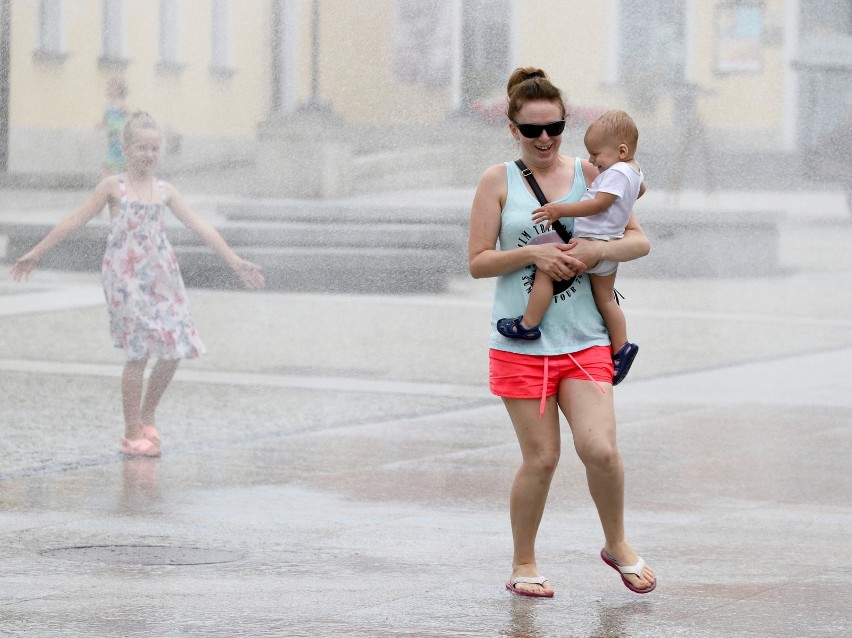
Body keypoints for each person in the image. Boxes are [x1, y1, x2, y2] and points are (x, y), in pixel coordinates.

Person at [468, 68, 656, 598]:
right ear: (513, 130)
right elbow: (478, 263)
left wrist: (598, 251)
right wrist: (534, 253)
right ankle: (524, 562)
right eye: (533, 131)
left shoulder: (596, 173)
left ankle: (616, 543)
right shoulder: (496, 181)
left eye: (555, 127)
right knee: (542, 457)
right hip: (520, 345)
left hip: (585, 338)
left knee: (600, 449)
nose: (546, 139)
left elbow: (638, 242)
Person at [11, 111, 265, 457]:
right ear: (126, 149)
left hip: (162, 277)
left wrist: (234, 261)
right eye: (142, 147)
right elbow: (75, 220)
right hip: (125, 280)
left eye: (154, 148)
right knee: (139, 352)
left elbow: (200, 227)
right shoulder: (112, 187)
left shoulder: (165, 191)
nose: (148, 154)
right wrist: (36, 252)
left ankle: (148, 413)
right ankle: (132, 432)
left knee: (176, 346)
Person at [498, 109, 645, 385]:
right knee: (606, 301)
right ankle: (622, 347)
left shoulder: (617, 172)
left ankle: (528, 324)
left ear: (621, 150)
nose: (592, 160)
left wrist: (559, 210)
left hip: (590, 243)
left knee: (545, 270)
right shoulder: (634, 171)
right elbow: (640, 191)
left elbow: (597, 204)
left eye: (597, 154)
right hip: (611, 245)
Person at [100, 77, 131, 179]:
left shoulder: (122, 104)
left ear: (119, 90)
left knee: (123, 165)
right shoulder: (107, 105)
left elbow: (131, 118)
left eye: (112, 87)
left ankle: (127, 185)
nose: (109, 89)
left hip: (121, 138)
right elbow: (105, 120)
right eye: (109, 87)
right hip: (112, 139)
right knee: (108, 165)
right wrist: (100, 124)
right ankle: (106, 186)